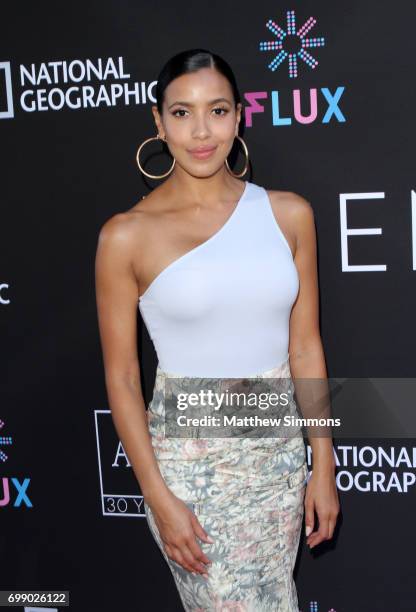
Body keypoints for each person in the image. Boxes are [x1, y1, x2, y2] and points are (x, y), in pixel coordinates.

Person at [95, 48, 340, 611]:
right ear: (158, 123)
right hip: (190, 474)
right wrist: (158, 499)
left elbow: (305, 349)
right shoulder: (126, 236)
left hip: (278, 461)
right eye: (182, 113)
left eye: (218, 110)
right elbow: (123, 377)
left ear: (239, 116)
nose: (201, 131)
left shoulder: (289, 214)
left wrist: (322, 464)